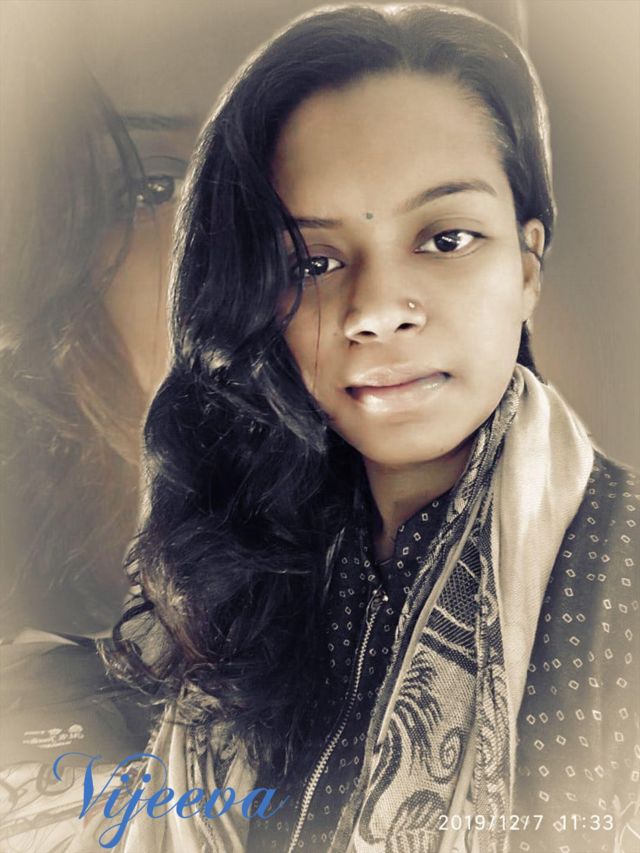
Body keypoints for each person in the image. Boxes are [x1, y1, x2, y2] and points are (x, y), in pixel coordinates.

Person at [67, 3, 638, 852]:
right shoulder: (241, 556)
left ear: (526, 265)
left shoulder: (619, 577)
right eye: (315, 261)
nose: (373, 310)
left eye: (445, 238)